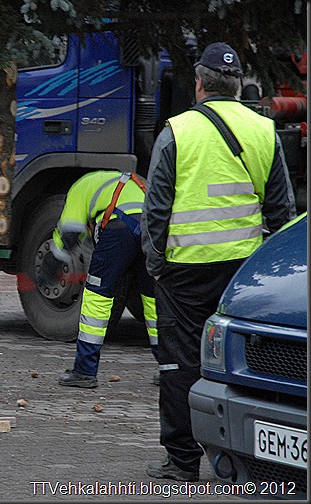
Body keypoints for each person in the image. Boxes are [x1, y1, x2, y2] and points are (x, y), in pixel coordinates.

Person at [141, 42, 296, 482]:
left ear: (199, 83)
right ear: (236, 83)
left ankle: (182, 460)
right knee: (246, 362)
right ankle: (255, 454)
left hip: (185, 271)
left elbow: (156, 209)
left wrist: (155, 263)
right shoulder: (264, 130)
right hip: (243, 275)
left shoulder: (178, 130)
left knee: (178, 365)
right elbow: (280, 211)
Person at [40, 170, 158, 389]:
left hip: (119, 228)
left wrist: (51, 266)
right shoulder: (118, 181)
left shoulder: (78, 189)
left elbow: (70, 233)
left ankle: (84, 371)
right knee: (153, 299)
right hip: (152, 230)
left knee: (98, 296)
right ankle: (168, 367)